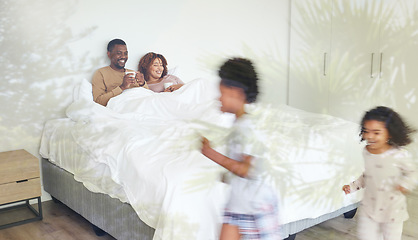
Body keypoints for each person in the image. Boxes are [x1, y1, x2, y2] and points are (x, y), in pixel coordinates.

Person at [201, 58, 281, 240]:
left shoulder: (248, 127)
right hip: (238, 204)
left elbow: (247, 169)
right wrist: (227, 176)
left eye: (221, 93)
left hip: (255, 207)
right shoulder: (239, 124)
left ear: (236, 93)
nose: (218, 98)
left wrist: (210, 153)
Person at [342, 106, 416, 240]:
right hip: (369, 207)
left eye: (376, 133)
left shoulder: (399, 154)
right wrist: (352, 186)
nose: (369, 136)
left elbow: (413, 172)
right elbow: (367, 175)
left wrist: (405, 184)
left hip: (392, 210)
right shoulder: (366, 151)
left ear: (390, 133)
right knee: (366, 236)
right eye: (366, 131)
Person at [92, 39, 149, 106]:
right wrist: (122, 87)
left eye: (125, 53)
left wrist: (142, 83)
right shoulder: (101, 73)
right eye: (119, 53)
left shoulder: (133, 73)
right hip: (123, 107)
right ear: (109, 54)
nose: (123, 57)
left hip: (141, 105)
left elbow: (148, 96)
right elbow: (98, 101)